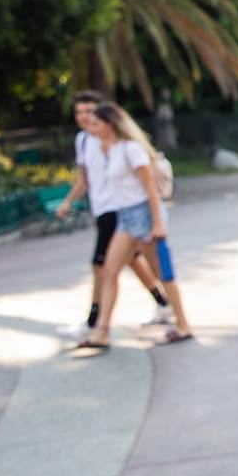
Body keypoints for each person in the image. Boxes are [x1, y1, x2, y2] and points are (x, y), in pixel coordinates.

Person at [54, 91, 172, 342]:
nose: (84, 117)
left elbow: (146, 182)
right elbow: (85, 178)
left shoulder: (116, 143)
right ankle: (164, 303)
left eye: (89, 112)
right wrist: (68, 201)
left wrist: (157, 220)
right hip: (104, 210)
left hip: (117, 210)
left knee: (102, 267)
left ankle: (96, 324)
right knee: (131, 262)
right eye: (79, 112)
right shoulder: (84, 141)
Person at [78, 102, 194, 349]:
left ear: (109, 124)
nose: (92, 128)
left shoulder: (131, 149)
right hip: (125, 217)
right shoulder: (109, 149)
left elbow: (151, 189)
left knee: (162, 273)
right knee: (109, 271)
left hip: (144, 215)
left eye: (96, 123)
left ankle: (183, 324)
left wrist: (158, 224)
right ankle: (102, 331)